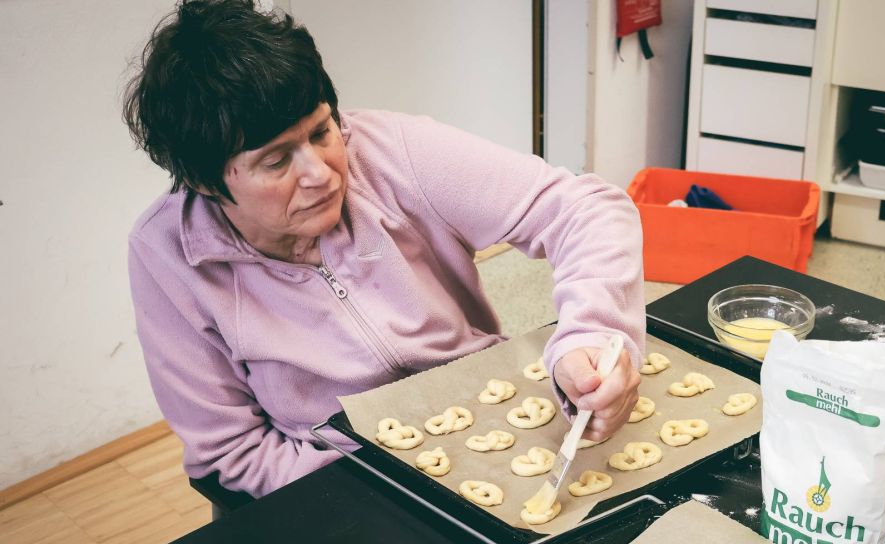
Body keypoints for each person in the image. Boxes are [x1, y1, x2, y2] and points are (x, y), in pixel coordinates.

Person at [123, 0, 646, 499]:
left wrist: (593, 332)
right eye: (277, 161)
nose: (320, 173)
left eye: (321, 131)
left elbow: (584, 207)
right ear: (205, 181)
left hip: (497, 415)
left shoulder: (391, 150)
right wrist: (391, 493)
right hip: (344, 478)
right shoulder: (167, 256)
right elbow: (235, 455)